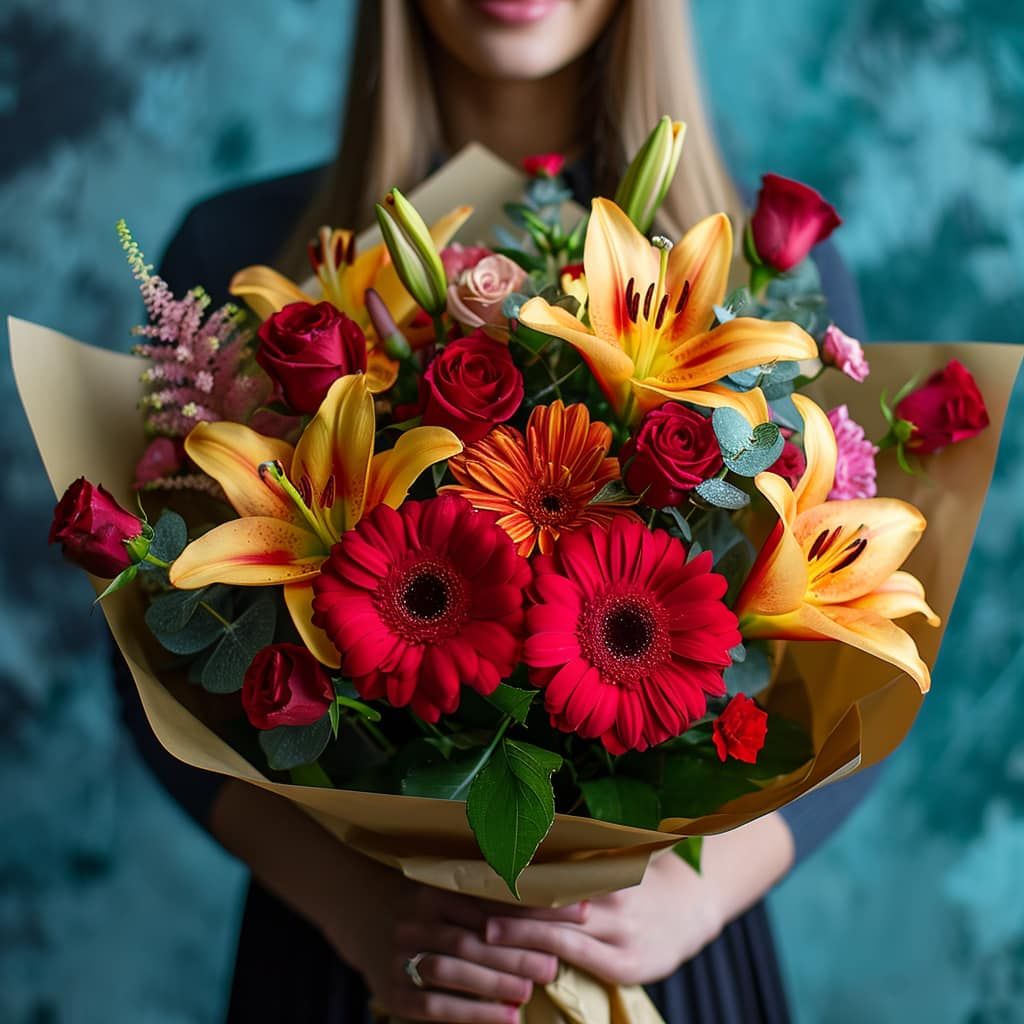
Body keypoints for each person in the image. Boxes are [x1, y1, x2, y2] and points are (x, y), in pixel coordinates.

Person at [117, 2, 874, 1021]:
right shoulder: (240, 250)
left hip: (658, 953)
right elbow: (150, 674)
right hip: (360, 955)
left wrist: (700, 888)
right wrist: (356, 907)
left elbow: (861, 665)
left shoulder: (773, 290)